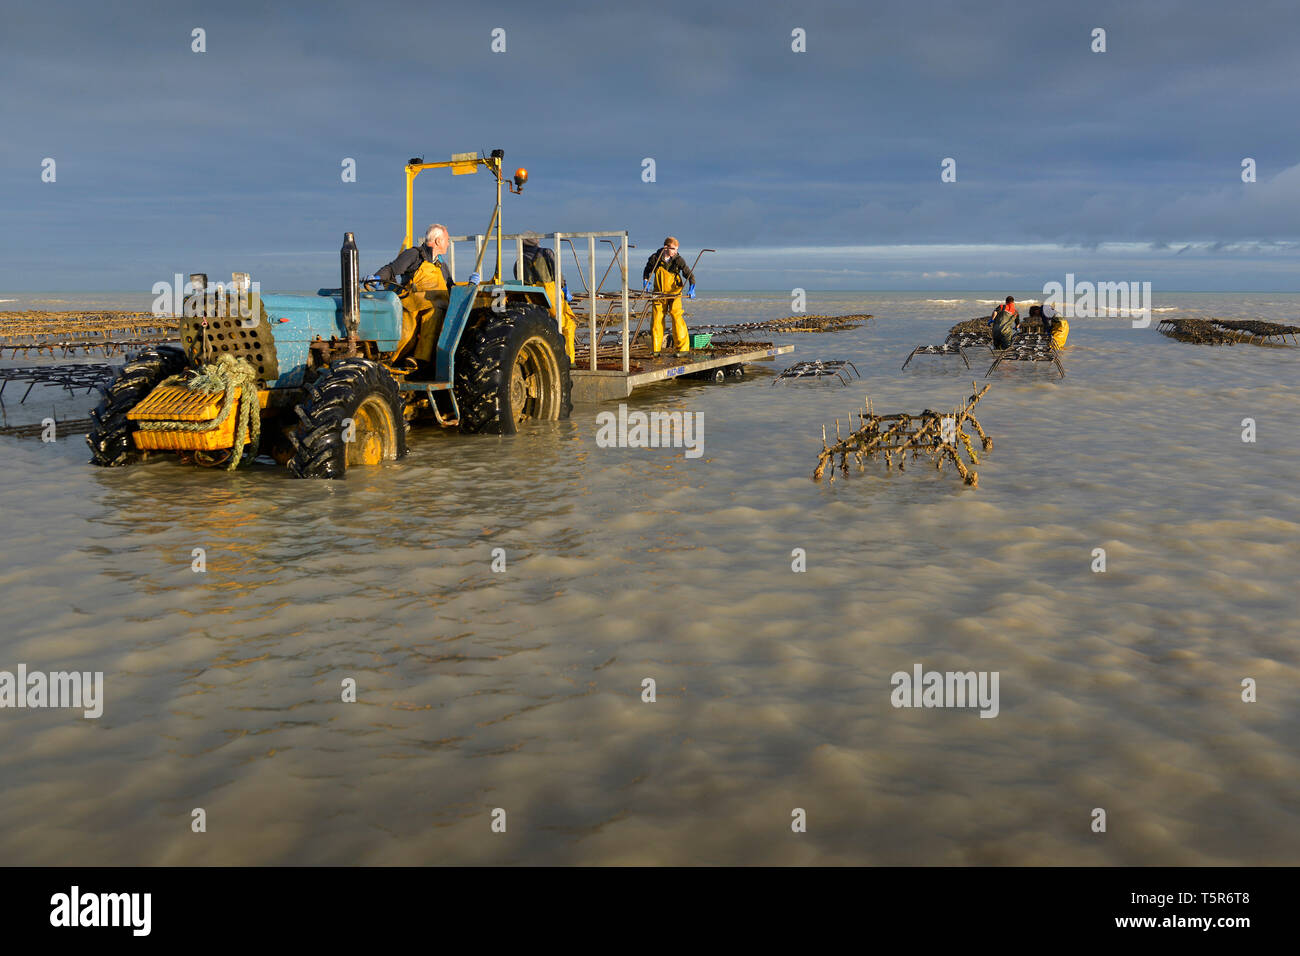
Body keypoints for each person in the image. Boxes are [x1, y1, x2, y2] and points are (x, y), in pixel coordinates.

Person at [366, 224, 480, 371]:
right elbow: (391, 269)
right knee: (407, 332)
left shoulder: (442, 266)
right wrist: (377, 278)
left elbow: (451, 289)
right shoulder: (414, 255)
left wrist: (470, 287)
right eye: (446, 240)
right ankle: (383, 363)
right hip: (411, 304)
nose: (447, 243)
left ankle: (418, 361)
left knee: (434, 314)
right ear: (438, 241)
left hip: (435, 309)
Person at [515, 234, 576, 363]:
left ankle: (542, 360)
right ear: (536, 242)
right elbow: (557, 273)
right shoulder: (546, 253)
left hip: (530, 295)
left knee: (540, 328)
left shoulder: (519, 261)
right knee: (567, 325)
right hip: (549, 292)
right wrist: (564, 287)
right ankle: (568, 361)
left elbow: (518, 279)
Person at [642, 237, 697, 355]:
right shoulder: (654, 258)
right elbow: (647, 270)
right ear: (666, 247)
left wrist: (692, 287)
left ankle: (683, 349)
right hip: (659, 292)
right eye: (673, 249)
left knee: (676, 316)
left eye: (676, 249)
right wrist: (646, 281)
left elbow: (689, 274)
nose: (675, 251)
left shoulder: (678, 259)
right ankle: (656, 350)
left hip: (674, 292)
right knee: (657, 319)